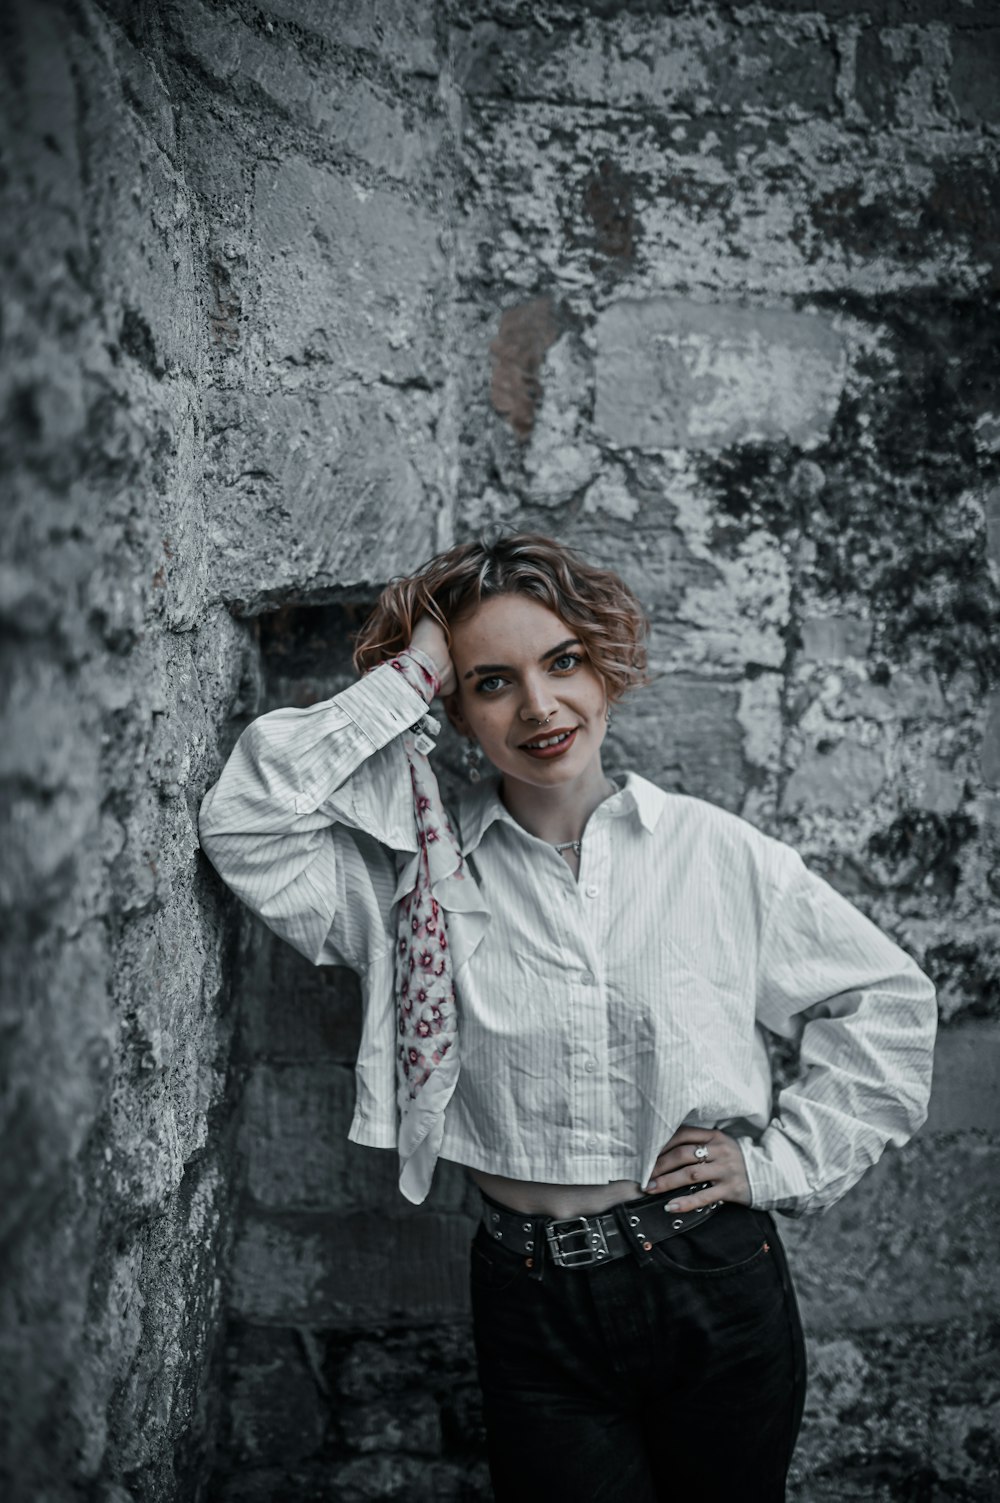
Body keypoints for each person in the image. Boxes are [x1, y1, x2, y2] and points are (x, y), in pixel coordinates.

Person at [197, 531, 937, 1503]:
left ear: (605, 667)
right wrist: (405, 675)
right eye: (491, 681)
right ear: (452, 709)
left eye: (563, 662)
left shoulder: (712, 853)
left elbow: (887, 1001)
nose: (540, 706)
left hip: (709, 1276)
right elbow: (246, 821)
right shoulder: (412, 878)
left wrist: (779, 1164)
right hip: (528, 1297)